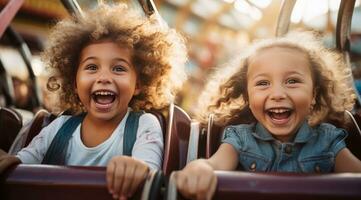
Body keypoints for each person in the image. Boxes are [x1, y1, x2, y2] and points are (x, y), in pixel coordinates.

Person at [0, 3, 187, 200]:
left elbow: (149, 169)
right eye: (91, 67)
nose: (104, 77)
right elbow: (21, 165)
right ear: (74, 82)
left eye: (118, 69)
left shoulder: (144, 125)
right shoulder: (58, 129)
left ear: (138, 84)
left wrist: (136, 168)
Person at [175, 31, 361, 200]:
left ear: (313, 94)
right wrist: (199, 168)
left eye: (292, 81)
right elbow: (213, 165)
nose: (277, 94)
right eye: (263, 83)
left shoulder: (327, 140)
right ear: (247, 96)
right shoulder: (240, 139)